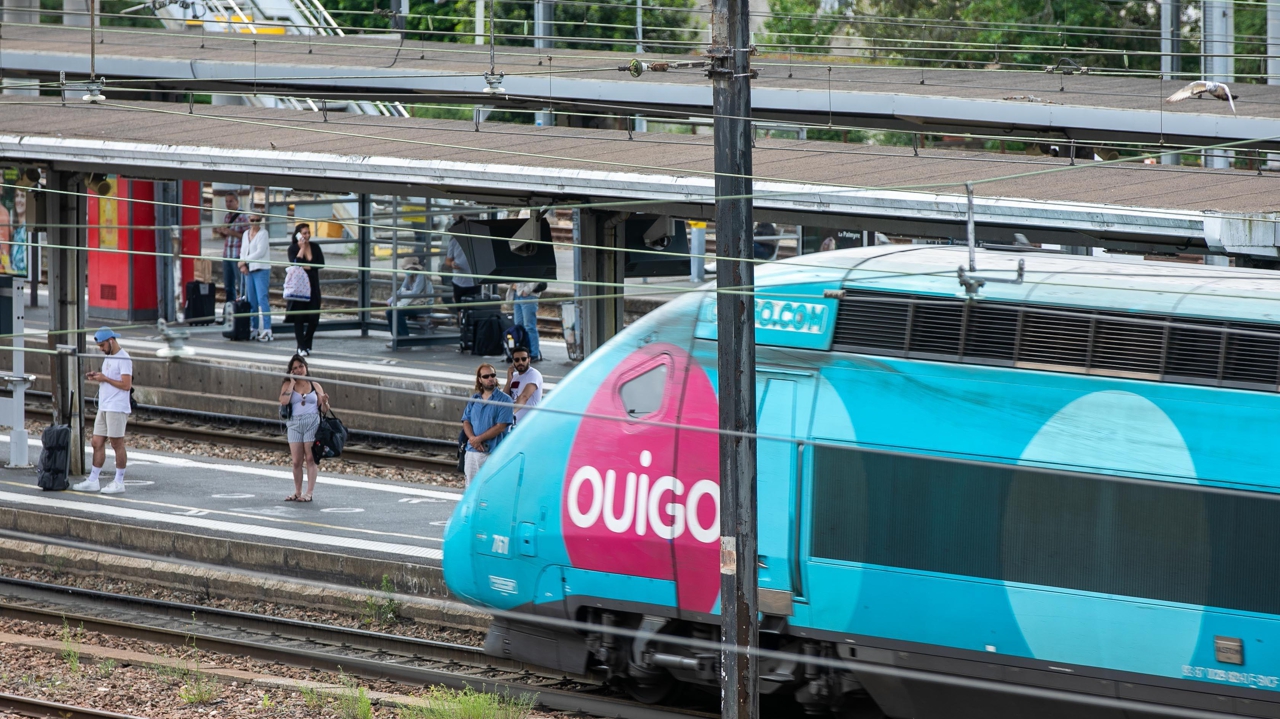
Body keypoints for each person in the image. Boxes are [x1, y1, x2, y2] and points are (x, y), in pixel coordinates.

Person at [73, 327, 132, 494]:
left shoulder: (124, 359)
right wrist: (98, 376)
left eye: (102, 345)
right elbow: (110, 378)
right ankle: (93, 480)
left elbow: (126, 385)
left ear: (111, 341)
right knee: (96, 442)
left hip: (117, 407)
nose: (101, 348)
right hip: (105, 406)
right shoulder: (108, 357)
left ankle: (119, 481)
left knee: (116, 444)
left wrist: (105, 378)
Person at [278, 354, 329, 502]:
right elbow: (283, 400)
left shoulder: (315, 385)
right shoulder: (287, 384)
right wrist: (292, 383)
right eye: (295, 368)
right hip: (294, 423)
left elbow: (324, 409)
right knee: (296, 461)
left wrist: (325, 402)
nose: (299, 370)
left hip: (312, 422)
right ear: (291, 371)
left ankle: (309, 492)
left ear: (305, 366)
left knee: (311, 458)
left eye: (301, 366)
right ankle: (298, 491)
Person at [461, 363, 513, 487]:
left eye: (493, 375)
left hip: (493, 452)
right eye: (486, 376)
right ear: (480, 380)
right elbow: (466, 421)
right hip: (472, 452)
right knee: (471, 489)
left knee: (491, 488)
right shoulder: (475, 399)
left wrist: (478, 439)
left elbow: (501, 426)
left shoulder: (505, 400)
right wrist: (473, 440)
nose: (490, 378)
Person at [285, 223, 325, 356]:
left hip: (313, 286)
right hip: (299, 287)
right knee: (299, 317)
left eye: (308, 233)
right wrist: (301, 249)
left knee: (314, 318)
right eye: (304, 233)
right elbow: (295, 264)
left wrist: (305, 265)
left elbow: (320, 264)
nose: (307, 236)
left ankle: (307, 343)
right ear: (298, 235)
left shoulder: (315, 247)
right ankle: (300, 346)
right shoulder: (292, 248)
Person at [239, 214, 273, 342]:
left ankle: (267, 329)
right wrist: (243, 264)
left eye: (258, 220)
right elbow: (243, 250)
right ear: (248, 220)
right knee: (252, 300)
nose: (255, 223)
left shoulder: (263, 233)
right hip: (250, 270)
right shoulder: (245, 234)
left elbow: (260, 252)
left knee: (262, 299)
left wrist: (244, 261)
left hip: (261, 269)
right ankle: (254, 327)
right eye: (252, 220)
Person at [386, 256, 431, 337]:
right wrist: (392, 298)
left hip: (423, 306)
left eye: (406, 269)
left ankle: (404, 337)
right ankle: (396, 337)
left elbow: (415, 293)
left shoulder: (421, 275)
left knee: (398, 312)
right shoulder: (410, 275)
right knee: (389, 312)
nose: (405, 271)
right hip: (412, 304)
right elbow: (401, 290)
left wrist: (400, 294)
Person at [215, 193, 248, 301]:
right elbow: (227, 235)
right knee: (228, 285)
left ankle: (242, 305)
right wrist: (222, 232)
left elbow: (247, 236)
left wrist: (231, 232)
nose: (228, 204)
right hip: (227, 254)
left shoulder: (243, 216)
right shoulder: (228, 216)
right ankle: (230, 306)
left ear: (237, 202)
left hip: (237, 254)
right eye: (226, 201)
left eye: (231, 201)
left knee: (240, 283)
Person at [503, 346, 542, 425]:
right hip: (513, 423)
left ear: (529, 360)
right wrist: (509, 381)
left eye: (523, 359)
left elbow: (524, 397)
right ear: (513, 362)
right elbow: (504, 398)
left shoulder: (533, 374)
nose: (520, 362)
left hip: (528, 423)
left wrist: (511, 413)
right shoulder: (514, 376)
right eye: (517, 360)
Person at [508, 282, 542, 361]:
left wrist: (526, 291)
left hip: (528, 295)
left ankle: (534, 353)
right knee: (518, 325)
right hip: (517, 294)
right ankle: (522, 351)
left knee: (529, 326)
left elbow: (536, 278)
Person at [444, 237, 480, 305]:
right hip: (458, 281)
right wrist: (452, 264)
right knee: (460, 308)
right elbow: (448, 261)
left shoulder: (479, 239)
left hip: (475, 281)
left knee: (473, 308)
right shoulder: (454, 240)